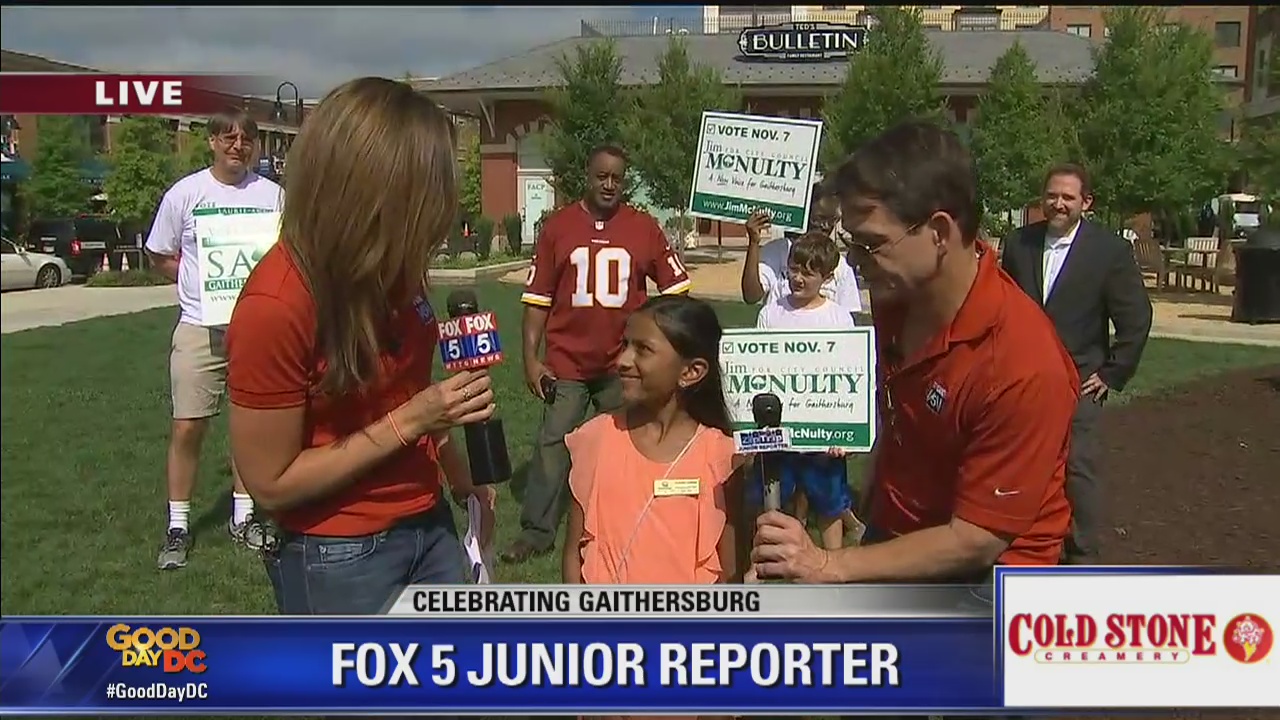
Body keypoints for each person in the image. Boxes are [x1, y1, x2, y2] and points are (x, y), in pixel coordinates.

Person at [752, 121, 1079, 593]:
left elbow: (975, 539)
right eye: (849, 243)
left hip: (991, 577)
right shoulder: (897, 295)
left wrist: (829, 563)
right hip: (901, 532)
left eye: (869, 244)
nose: (852, 262)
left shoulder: (1023, 364)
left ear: (939, 232)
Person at [224, 77, 497, 615]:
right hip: (338, 552)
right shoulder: (276, 305)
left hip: (431, 523)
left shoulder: (396, 270)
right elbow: (271, 483)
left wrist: (466, 486)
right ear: (372, 192)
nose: (440, 215)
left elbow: (414, 394)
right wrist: (410, 422)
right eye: (427, 193)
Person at [504, 144, 693, 564]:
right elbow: (537, 299)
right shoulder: (558, 227)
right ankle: (537, 531)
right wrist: (532, 359)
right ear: (587, 177)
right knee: (554, 442)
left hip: (623, 363)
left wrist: (661, 338)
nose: (609, 185)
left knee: (635, 440)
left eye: (617, 178)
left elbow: (678, 289)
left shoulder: (644, 227)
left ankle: (636, 517)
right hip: (567, 361)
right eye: (601, 176)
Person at [145, 108, 283, 570]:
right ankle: (179, 523)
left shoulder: (273, 197)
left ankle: (244, 517)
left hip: (257, 329)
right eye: (228, 138)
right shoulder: (185, 194)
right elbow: (160, 255)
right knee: (188, 425)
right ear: (211, 142)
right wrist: (195, 282)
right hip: (199, 326)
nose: (237, 146)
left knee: (250, 425)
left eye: (245, 139)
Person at [1000, 163, 1153, 565]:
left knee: (1077, 469)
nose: (1058, 204)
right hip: (1023, 378)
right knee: (1021, 464)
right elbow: (1002, 306)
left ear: (1086, 202)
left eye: (1068, 197)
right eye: (1052, 195)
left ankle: (1082, 555)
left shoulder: (1109, 251)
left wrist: (1112, 372)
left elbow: (1136, 317)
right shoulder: (1019, 244)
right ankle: (1025, 544)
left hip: (1081, 379)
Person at [562, 294, 745, 587]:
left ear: (690, 372)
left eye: (643, 349)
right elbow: (574, 554)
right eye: (625, 345)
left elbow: (732, 573)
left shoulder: (722, 458)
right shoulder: (595, 439)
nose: (622, 361)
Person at [753, 231, 857, 551]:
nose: (798, 278)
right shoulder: (771, 313)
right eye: (794, 270)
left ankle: (834, 562)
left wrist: (846, 435)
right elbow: (757, 368)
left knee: (829, 505)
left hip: (822, 437)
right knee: (768, 500)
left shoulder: (838, 318)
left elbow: (850, 378)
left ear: (826, 277)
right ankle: (768, 560)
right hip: (778, 431)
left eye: (808, 272)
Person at [741, 182, 863, 316]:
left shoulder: (840, 265)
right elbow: (751, 296)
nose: (826, 226)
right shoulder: (778, 251)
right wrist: (753, 242)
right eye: (819, 219)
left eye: (832, 220)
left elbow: (850, 316)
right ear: (804, 215)